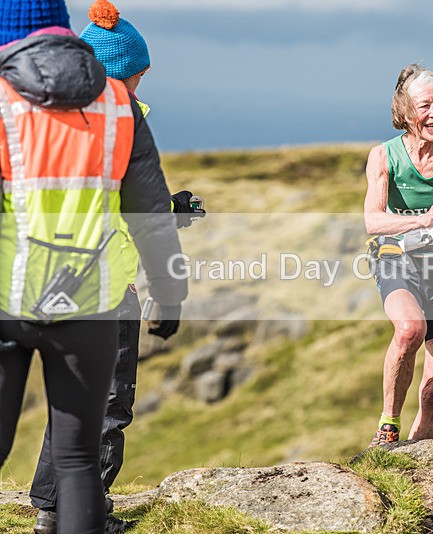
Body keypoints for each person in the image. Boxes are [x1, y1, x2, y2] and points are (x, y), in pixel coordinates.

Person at [0, 0, 188, 532]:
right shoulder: (119, 109)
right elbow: (147, 213)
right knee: (82, 455)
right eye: (139, 77)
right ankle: (63, 511)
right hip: (96, 295)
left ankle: (46, 509)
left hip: (12, 290)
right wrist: (171, 291)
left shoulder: (7, 100)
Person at [364, 65, 433, 447]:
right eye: (425, 105)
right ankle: (387, 426)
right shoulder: (384, 156)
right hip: (397, 261)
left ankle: (415, 470)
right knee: (410, 329)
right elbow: (372, 221)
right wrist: (425, 220)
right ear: (405, 111)